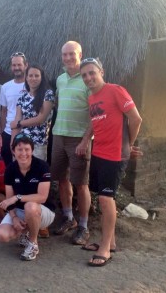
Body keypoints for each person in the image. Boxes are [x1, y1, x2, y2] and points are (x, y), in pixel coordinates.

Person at [79, 58, 142, 266]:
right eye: (84, 75)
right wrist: (86, 140)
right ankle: (111, 242)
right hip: (99, 152)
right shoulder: (92, 98)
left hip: (114, 155)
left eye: (91, 73)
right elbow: (95, 122)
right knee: (102, 198)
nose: (88, 77)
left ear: (101, 72)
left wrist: (128, 145)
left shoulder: (116, 90)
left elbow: (135, 119)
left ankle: (105, 248)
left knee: (107, 200)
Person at [51, 41, 92, 245]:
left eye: (71, 54)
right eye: (64, 54)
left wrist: (86, 140)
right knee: (61, 179)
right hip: (59, 135)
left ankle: (84, 226)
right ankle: (69, 218)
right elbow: (59, 104)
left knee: (81, 183)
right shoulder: (60, 79)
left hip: (78, 139)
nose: (67, 58)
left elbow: (95, 115)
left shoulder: (88, 79)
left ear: (80, 54)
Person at [0, 134, 55, 261]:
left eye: (27, 149)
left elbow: (42, 197)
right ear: (13, 151)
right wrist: (14, 217)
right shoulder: (10, 169)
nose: (23, 153)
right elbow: (9, 199)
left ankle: (33, 243)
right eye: (19, 149)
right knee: (3, 236)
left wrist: (17, 197)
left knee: (30, 205)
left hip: (42, 211)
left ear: (32, 150)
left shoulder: (42, 166)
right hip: (19, 211)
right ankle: (25, 233)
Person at [11, 64, 55, 161]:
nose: (33, 78)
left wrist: (19, 123)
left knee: (37, 174)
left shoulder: (48, 94)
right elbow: (16, 122)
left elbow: (40, 119)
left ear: (41, 77)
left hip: (38, 144)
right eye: (30, 75)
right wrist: (12, 143)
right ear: (26, 77)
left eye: (36, 75)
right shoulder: (22, 98)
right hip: (21, 143)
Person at [0, 52, 28, 165]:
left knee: (24, 164)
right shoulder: (5, 87)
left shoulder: (31, 85)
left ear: (26, 65)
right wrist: (1, 131)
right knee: (8, 165)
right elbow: (4, 111)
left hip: (26, 131)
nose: (16, 68)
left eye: (19, 65)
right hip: (8, 132)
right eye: (14, 65)